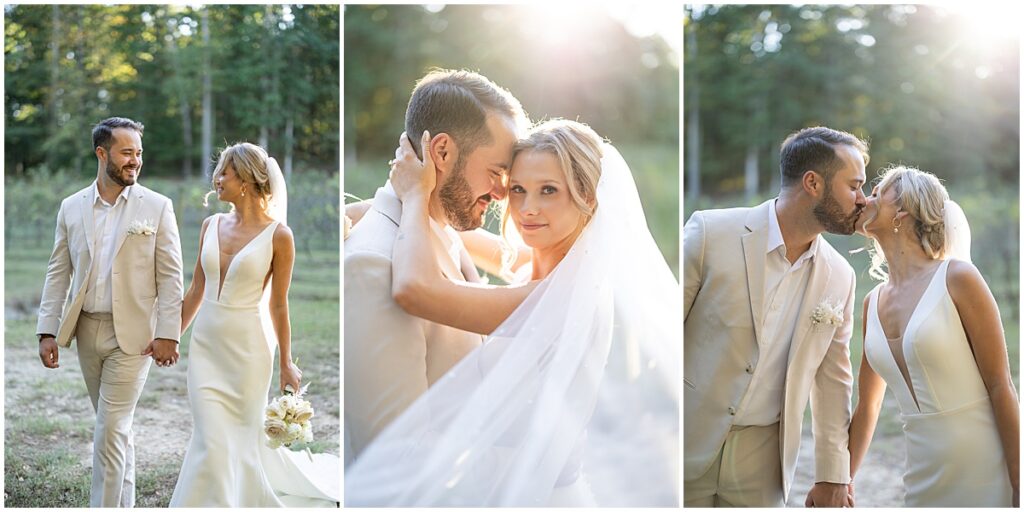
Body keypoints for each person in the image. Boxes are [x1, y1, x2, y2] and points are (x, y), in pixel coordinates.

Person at [345, 119, 679, 506]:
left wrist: (416, 196)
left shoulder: (563, 296)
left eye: (549, 191)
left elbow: (416, 290)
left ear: (588, 197)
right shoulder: (542, 261)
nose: (527, 209)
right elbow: (450, 229)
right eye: (518, 189)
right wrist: (367, 210)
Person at [343, 69, 525, 462]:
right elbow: (393, 459)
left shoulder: (442, 228)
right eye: (496, 172)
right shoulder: (371, 265)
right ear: (441, 152)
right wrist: (523, 468)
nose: (501, 192)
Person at [684, 126, 867, 507]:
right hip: (683, 437)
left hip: (764, 462)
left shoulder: (841, 275)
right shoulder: (710, 233)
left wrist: (834, 474)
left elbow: (834, 380)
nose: (862, 200)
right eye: (854, 186)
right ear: (813, 183)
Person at [169, 143, 338, 507]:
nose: (216, 179)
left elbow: (278, 304)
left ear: (245, 179)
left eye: (224, 172)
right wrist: (170, 337)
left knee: (239, 442)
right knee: (210, 438)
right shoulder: (209, 225)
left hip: (248, 354)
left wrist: (287, 361)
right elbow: (196, 289)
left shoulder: (279, 236)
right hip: (206, 350)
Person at [849, 165, 1019, 507]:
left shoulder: (958, 278)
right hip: (920, 473)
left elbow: (1001, 384)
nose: (865, 199)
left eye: (877, 192)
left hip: (983, 465)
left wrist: (1021, 485)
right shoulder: (872, 303)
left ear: (903, 211)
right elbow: (868, 405)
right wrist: (839, 479)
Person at [36, 116, 183, 507]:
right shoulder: (71, 207)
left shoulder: (157, 206)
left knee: (110, 429)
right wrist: (46, 330)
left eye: (139, 153)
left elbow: (171, 277)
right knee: (114, 430)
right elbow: (58, 271)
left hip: (134, 337)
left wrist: (170, 332)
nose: (135, 160)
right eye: (126, 153)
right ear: (102, 154)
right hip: (86, 331)